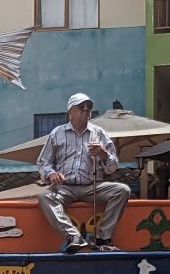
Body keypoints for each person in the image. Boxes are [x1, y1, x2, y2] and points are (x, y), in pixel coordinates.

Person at [37, 93, 130, 253]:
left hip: (93, 186)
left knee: (122, 191)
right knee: (45, 197)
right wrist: (51, 173)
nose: (86, 111)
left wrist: (103, 153)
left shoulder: (99, 133)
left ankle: (103, 237)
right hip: (65, 187)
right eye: (81, 108)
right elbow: (43, 162)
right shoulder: (57, 133)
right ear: (70, 111)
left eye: (89, 108)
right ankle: (73, 236)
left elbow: (113, 166)